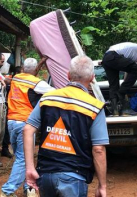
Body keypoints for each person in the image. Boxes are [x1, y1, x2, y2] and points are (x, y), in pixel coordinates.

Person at [24, 55, 108, 197]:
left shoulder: (47, 98)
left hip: (45, 176)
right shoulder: (95, 107)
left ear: (68, 75)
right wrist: (102, 186)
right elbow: (98, 149)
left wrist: (30, 168)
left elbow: (27, 129)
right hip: (74, 177)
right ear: (92, 78)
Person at [1, 57, 54, 197]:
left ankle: (29, 189)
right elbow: (54, 92)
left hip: (11, 122)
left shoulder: (16, 78)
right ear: (36, 69)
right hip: (25, 124)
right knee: (24, 158)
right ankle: (7, 191)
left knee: (22, 157)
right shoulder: (37, 83)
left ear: (23, 68)